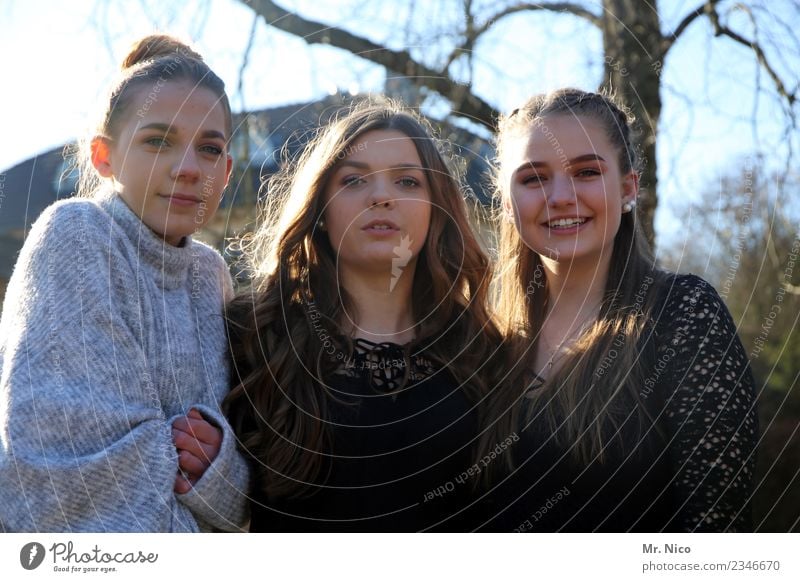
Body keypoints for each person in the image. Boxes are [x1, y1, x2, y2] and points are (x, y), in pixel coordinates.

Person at [0, 34, 249, 532]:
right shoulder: (76, 234)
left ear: (225, 173)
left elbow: (246, 489)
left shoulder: (211, 275)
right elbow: (56, 469)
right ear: (103, 156)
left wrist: (218, 470)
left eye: (209, 148)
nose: (186, 168)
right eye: (158, 141)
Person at [479, 88, 758, 532]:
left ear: (628, 187)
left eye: (586, 172)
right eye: (533, 178)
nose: (561, 196)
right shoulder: (485, 345)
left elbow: (718, 533)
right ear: (508, 202)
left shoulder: (683, 316)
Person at [224, 99, 503, 531]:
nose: (381, 197)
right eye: (353, 180)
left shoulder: (486, 351)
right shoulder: (252, 337)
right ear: (320, 210)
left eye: (407, 181)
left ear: (437, 208)